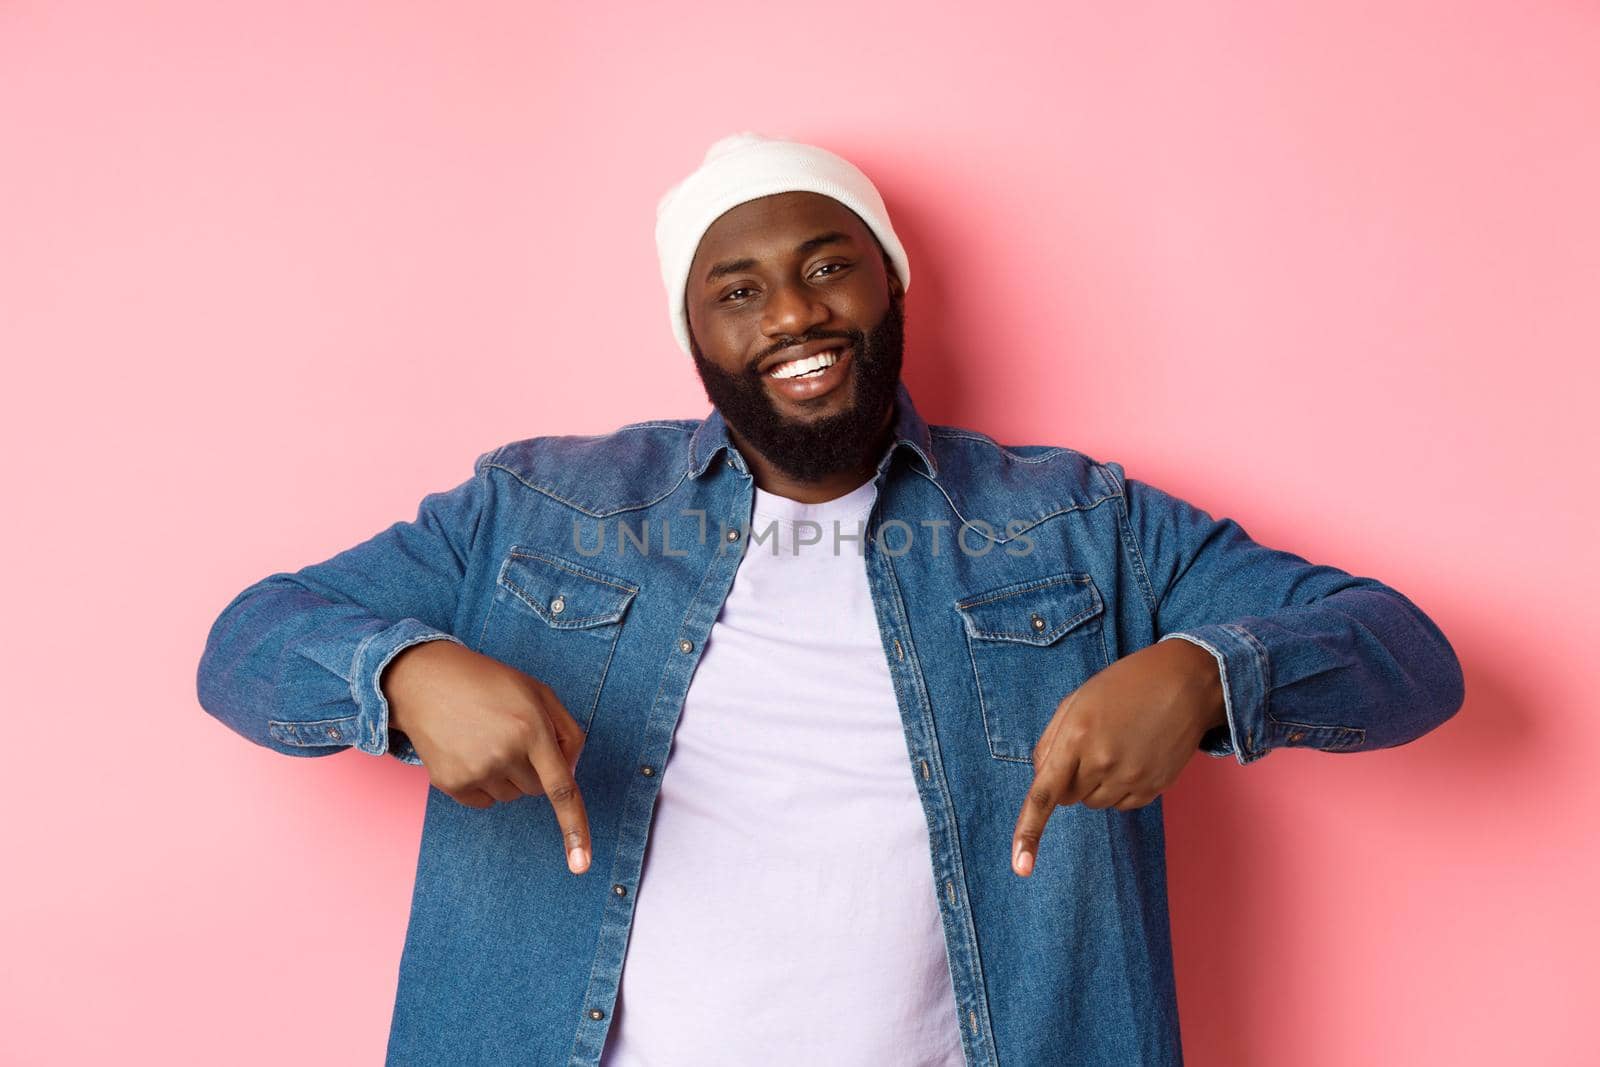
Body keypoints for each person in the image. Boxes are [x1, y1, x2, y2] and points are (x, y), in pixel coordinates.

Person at [196, 131, 1465, 1067]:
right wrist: (405, 673)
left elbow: (1406, 655)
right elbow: (250, 641)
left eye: (827, 266)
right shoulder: (540, 508)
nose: (793, 312)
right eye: (736, 289)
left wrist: (1198, 672)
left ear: (892, 283)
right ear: (694, 337)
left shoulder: (1079, 521)